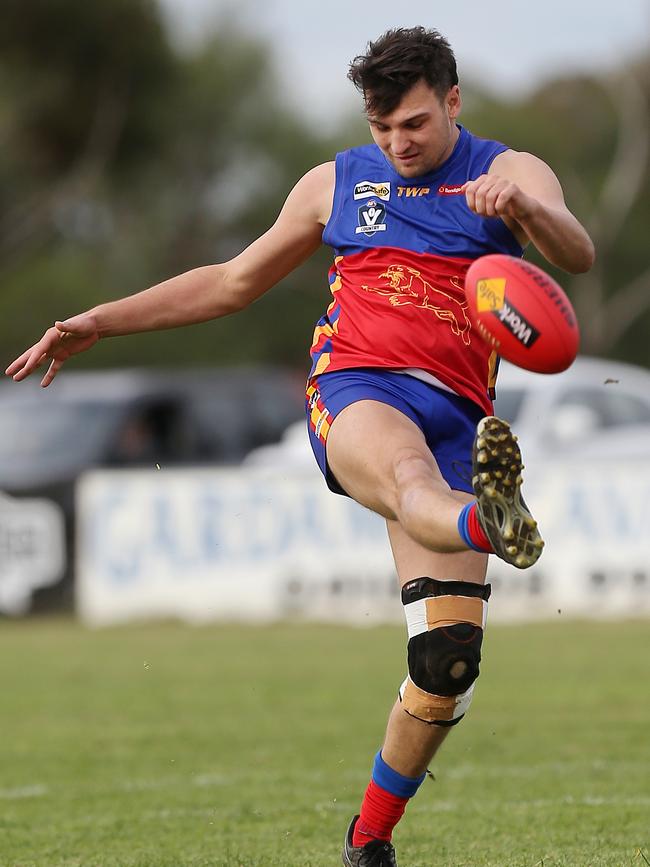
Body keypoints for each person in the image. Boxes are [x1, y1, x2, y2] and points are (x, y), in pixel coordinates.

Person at [6, 27, 594, 867]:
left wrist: (526, 210)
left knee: (447, 661)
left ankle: (369, 839)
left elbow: (576, 249)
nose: (398, 143)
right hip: (359, 386)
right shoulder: (335, 183)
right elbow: (230, 281)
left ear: (453, 102)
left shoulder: (512, 171)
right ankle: (485, 518)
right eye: (382, 126)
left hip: (463, 414)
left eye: (416, 124)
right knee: (403, 478)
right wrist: (101, 318)